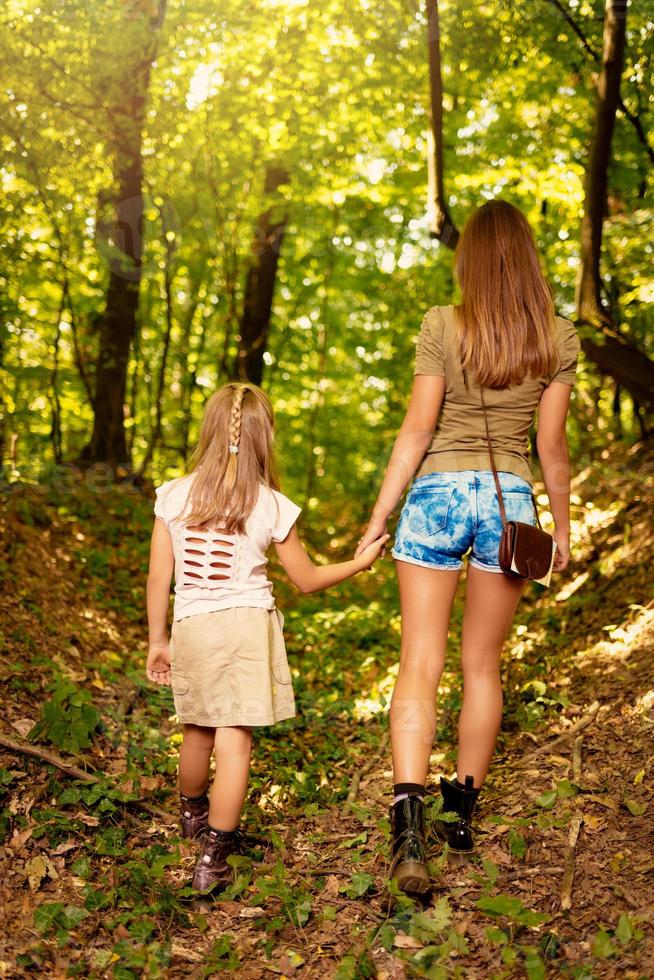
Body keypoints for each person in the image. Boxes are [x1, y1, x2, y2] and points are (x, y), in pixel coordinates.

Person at [356, 199, 580, 894]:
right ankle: (461, 814)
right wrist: (564, 526)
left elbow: (416, 431)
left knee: (420, 662)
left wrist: (378, 516)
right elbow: (551, 447)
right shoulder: (558, 338)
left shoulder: (442, 325)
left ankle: (408, 830)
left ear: (470, 259)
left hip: (437, 497)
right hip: (510, 502)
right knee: (482, 666)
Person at [146, 382, 388, 894]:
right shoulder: (272, 505)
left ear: (209, 430)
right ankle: (214, 855)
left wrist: (156, 639)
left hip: (191, 624)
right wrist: (360, 563)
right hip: (247, 627)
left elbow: (157, 578)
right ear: (264, 438)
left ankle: (191, 815)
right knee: (235, 744)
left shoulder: (173, 495)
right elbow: (306, 579)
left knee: (195, 728)